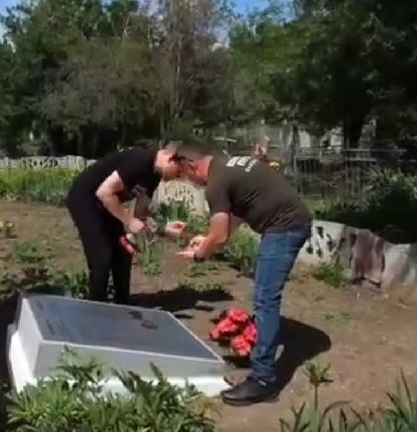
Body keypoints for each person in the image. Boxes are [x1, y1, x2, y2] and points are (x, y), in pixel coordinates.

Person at [174, 142, 312, 406]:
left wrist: (201, 254)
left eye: (186, 176)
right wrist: (208, 239)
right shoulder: (229, 166)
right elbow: (233, 220)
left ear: (191, 165)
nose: (190, 182)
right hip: (290, 222)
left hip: (285, 227)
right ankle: (263, 359)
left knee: (265, 300)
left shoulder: (215, 184)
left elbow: (221, 234)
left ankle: (263, 381)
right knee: (265, 298)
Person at [66, 146, 187, 305]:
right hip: (84, 199)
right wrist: (128, 221)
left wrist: (165, 229)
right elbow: (104, 192)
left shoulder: (154, 176)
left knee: (122, 253)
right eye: (177, 173)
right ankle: (95, 306)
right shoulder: (140, 161)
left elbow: (140, 214)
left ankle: (122, 303)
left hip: (107, 205)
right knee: (101, 257)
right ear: (171, 157)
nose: (174, 178)